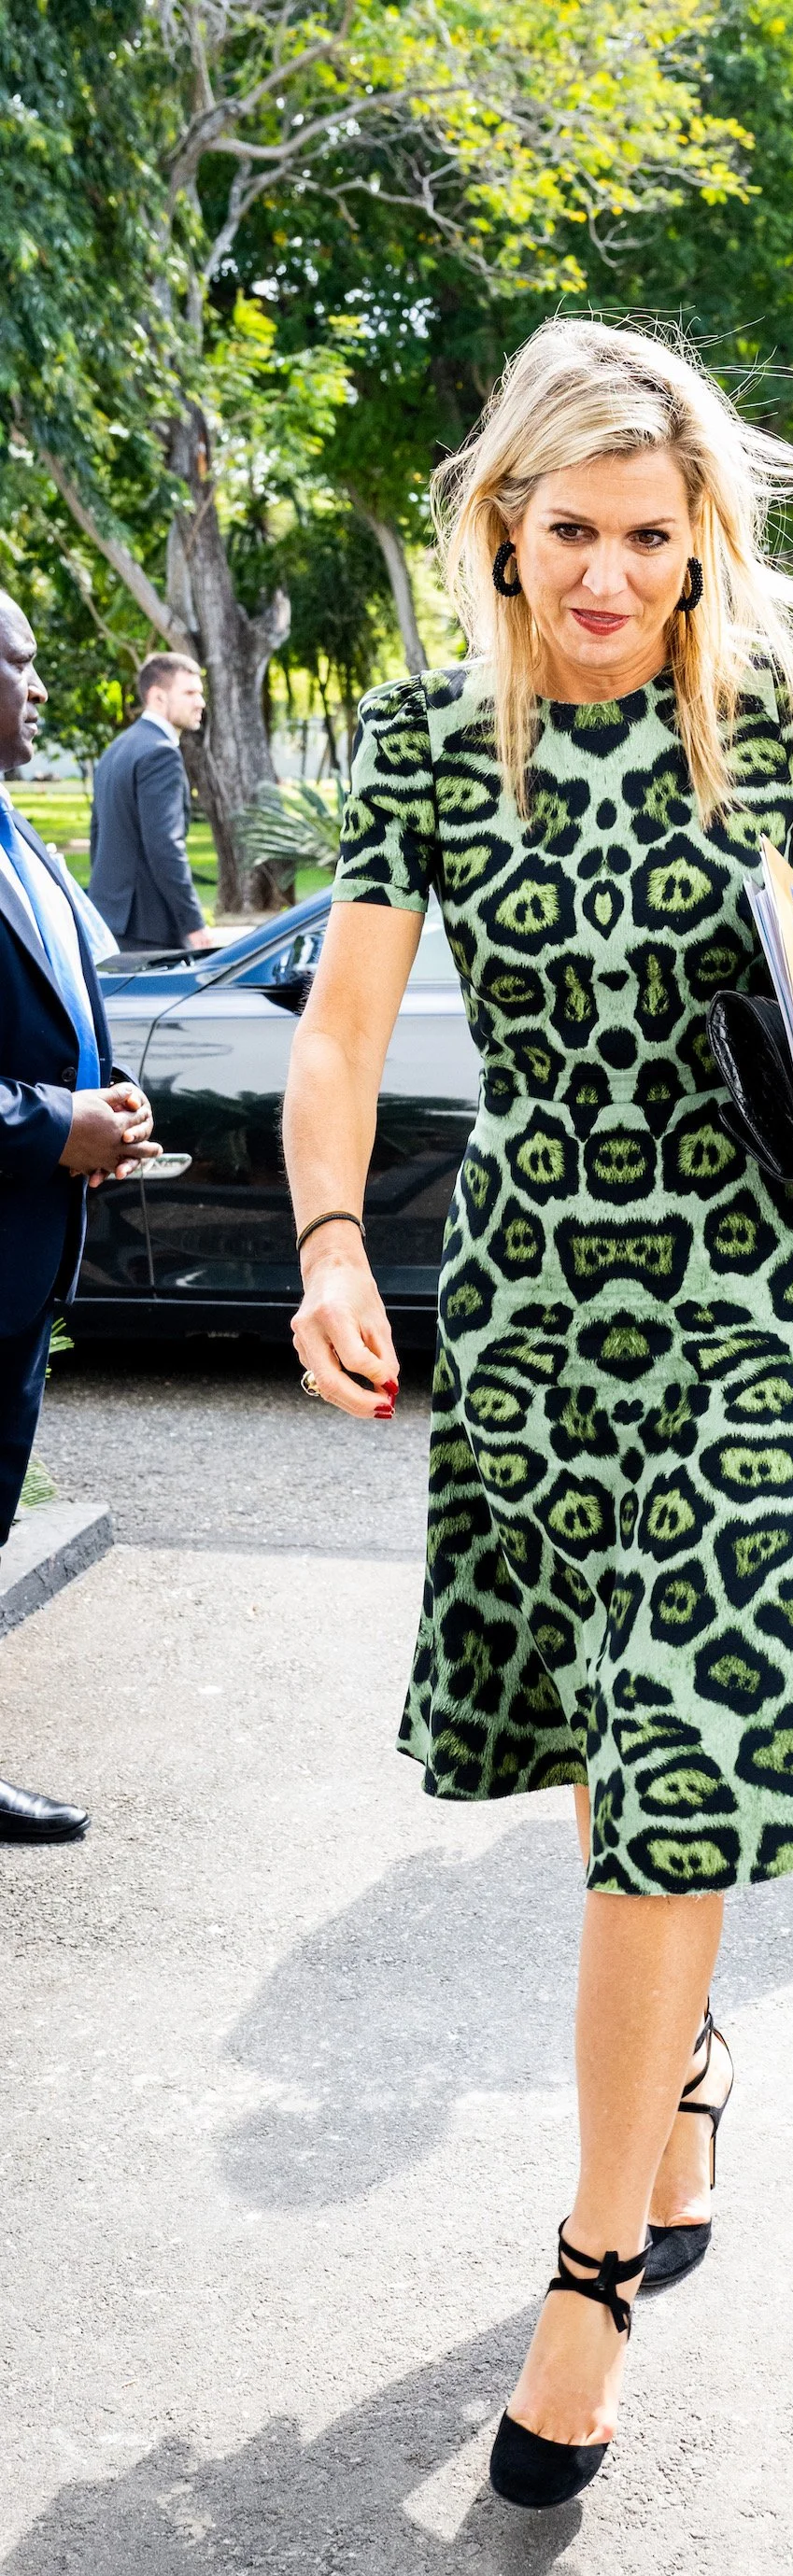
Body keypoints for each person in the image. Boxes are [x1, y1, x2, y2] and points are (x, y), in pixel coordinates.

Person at [282, 317, 793, 2513]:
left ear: (703, 548)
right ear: (503, 521)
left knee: (677, 1763)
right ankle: (676, 2072)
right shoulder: (426, 739)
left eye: (647, 541)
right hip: (534, 1306)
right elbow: (336, 1034)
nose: (606, 580)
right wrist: (327, 1242)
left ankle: (589, 2269)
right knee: (614, 1753)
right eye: (568, 532)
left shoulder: (776, 722)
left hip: (754, 1305)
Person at [0, 591, 161, 1839]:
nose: (39, 686)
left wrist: (103, 1101)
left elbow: (53, 1008)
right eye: (21, 661)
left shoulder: (22, 837)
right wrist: (52, 1124)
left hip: (28, 1257)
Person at [89, 653, 209, 953]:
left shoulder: (117, 748)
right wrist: (193, 923)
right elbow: (165, 846)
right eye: (190, 693)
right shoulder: (160, 753)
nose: (201, 703)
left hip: (112, 920)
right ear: (157, 696)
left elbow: (97, 836)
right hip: (150, 927)